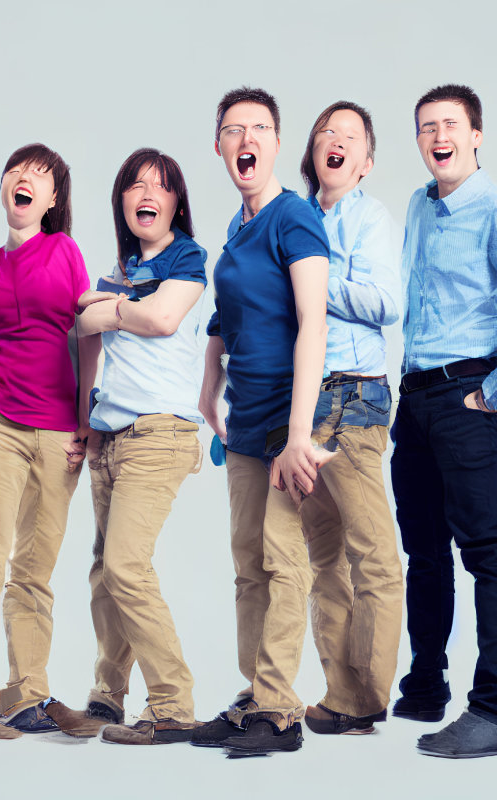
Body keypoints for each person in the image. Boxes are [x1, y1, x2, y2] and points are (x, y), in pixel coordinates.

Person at [50, 148, 207, 746]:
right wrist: (85, 424)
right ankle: (107, 698)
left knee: (125, 566)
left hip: (159, 434)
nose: (147, 194)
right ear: (121, 201)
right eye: (135, 185)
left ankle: (173, 705)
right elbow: (83, 342)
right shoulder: (114, 272)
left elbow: (163, 319)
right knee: (103, 572)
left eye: (160, 187)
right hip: (110, 438)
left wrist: (107, 311)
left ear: (175, 204)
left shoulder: (187, 258)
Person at [196, 87, 331, 754]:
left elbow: (314, 321)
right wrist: (207, 388)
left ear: (276, 145)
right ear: (220, 147)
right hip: (244, 424)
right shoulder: (237, 230)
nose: (244, 138)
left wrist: (300, 434)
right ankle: (257, 692)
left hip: (286, 419)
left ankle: (281, 712)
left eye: (257, 128)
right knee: (248, 565)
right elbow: (228, 315)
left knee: (283, 562)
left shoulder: (293, 219)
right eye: (232, 129)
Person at [0, 143, 97, 737]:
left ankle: (27, 695)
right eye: (14, 172)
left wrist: (85, 422)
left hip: (60, 430)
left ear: (52, 199)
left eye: (37, 176)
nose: (22, 180)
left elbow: (86, 337)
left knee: (34, 569)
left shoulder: (64, 251)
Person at [391, 84, 497, 759]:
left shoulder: (491, 208)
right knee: (423, 552)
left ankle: (490, 710)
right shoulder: (416, 206)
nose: (438, 135)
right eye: (427, 126)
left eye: (450, 124)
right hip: (415, 397)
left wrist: (490, 393)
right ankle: (426, 681)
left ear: (477, 134)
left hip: (468, 397)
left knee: (487, 552)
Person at [295, 101, 404, 737]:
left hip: (355, 401)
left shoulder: (371, 218)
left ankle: (368, 695)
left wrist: (314, 278)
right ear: (313, 155)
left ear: (364, 164)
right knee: (322, 560)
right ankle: (342, 696)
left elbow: (386, 303)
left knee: (376, 559)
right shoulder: (297, 219)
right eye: (324, 134)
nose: (333, 142)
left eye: (349, 137)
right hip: (303, 405)